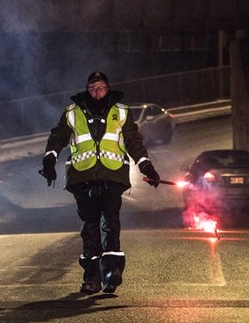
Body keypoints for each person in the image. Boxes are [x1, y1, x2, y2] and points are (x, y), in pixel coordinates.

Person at [40, 71, 161, 294]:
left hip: (112, 176)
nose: (98, 92)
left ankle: (111, 272)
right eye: (93, 88)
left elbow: (134, 141)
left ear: (108, 89)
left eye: (102, 88)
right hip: (82, 177)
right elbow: (58, 137)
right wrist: (50, 158)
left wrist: (146, 166)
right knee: (90, 227)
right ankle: (92, 277)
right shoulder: (73, 113)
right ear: (87, 89)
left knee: (110, 223)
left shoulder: (122, 112)